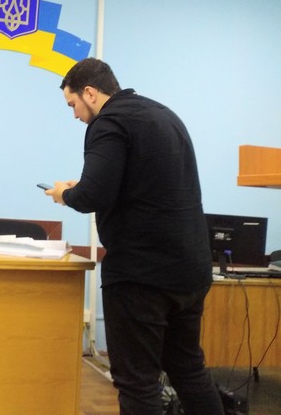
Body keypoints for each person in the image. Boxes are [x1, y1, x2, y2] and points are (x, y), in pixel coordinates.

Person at [45, 58, 224, 415]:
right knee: (188, 370)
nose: (75, 115)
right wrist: (86, 187)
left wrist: (65, 193)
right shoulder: (164, 116)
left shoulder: (108, 122)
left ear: (90, 93)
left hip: (143, 276)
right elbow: (139, 184)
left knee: (137, 381)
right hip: (191, 269)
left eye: (73, 104)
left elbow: (93, 195)